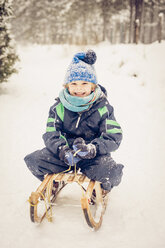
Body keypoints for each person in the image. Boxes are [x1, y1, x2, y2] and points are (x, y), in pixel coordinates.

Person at [24, 50, 124, 196]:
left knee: (112, 172)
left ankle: (102, 189)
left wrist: (93, 149)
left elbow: (113, 136)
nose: (79, 88)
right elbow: (51, 133)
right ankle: (54, 182)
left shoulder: (103, 107)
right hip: (64, 156)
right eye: (74, 83)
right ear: (66, 86)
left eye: (84, 83)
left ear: (93, 86)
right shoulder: (58, 107)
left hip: (92, 157)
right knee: (33, 160)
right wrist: (62, 150)